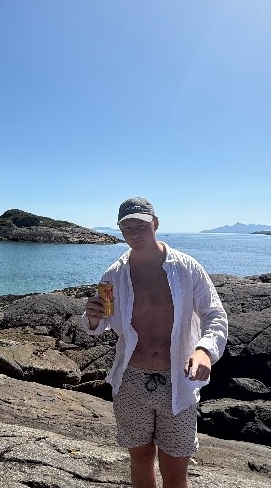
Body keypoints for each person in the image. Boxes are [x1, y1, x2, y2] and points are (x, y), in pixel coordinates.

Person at [83, 197, 228, 488]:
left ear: (156, 223)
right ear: (120, 230)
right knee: (140, 459)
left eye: (141, 226)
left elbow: (215, 314)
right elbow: (100, 325)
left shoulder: (186, 268)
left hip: (179, 381)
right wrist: (92, 317)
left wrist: (204, 350)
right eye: (127, 228)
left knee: (174, 468)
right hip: (130, 380)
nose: (134, 233)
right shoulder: (114, 275)